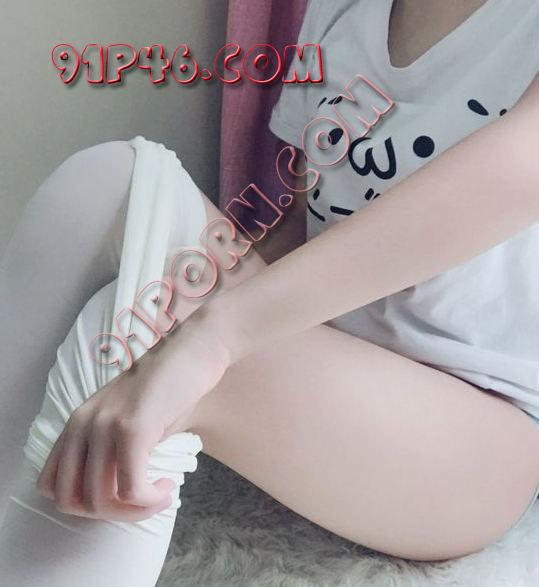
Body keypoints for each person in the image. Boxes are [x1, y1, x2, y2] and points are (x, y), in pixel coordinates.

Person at [2, 0, 539, 584]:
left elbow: (522, 167)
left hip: (473, 439)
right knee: (107, 183)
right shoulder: (342, 9)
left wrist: (214, 334)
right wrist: (188, 301)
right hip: (327, 357)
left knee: (145, 334)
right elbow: (303, 226)